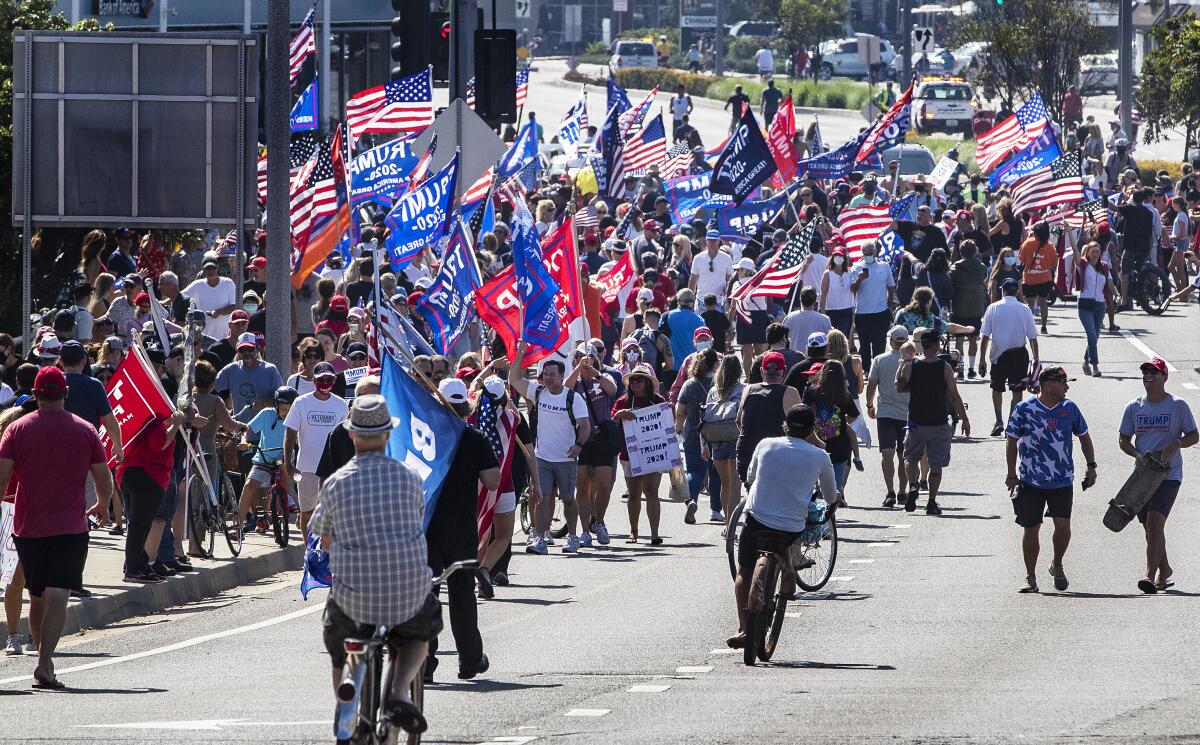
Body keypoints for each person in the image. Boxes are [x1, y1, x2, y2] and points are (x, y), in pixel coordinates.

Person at [313, 395, 443, 735]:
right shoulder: (410, 477)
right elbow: (416, 522)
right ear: (387, 435)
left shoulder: (336, 483)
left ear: (353, 436)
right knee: (420, 632)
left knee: (339, 641)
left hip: (352, 594)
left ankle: (346, 698)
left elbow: (324, 539)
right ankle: (400, 691)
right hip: (407, 591)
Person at [0, 368, 114, 688]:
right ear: (65, 393)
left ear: (35, 395)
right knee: (58, 596)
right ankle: (44, 661)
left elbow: (1, 478)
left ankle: (44, 661)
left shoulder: (17, 429)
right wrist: (103, 505)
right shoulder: (85, 429)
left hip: (28, 527)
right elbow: (104, 478)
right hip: (70, 526)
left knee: (36, 597)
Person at [728, 404, 835, 649]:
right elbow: (829, 495)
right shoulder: (819, 456)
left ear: (785, 424)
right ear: (811, 430)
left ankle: (744, 627)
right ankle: (789, 570)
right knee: (793, 538)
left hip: (757, 519)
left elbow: (751, 477)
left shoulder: (765, 444)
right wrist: (835, 498)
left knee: (744, 570)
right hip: (790, 527)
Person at [426, 378, 498, 681]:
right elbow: (492, 480)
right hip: (460, 530)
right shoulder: (475, 437)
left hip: (427, 527)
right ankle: (469, 660)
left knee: (425, 596)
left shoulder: (424, 436)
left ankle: (423, 664)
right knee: (462, 595)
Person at [1006, 366, 1096, 594]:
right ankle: (1030, 576)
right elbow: (1012, 440)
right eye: (1063, 383)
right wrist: (1011, 475)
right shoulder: (1024, 409)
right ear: (1048, 386)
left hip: (1062, 479)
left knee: (1063, 525)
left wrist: (1091, 466)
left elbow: (1084, 437)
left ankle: (1057, 563)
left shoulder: (1069, 408)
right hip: (1031, 480)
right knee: (1031, 527)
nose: (1067, 388)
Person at [1119, 357, 1198, 594]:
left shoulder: (1178, 405)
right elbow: (1123, 440)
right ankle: (1165, 570)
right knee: (1150, 528)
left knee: (1155, 521)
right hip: (1142, 477)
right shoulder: (1134, 407)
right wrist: (1136, 454)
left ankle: (1149, 576)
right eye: (1145, 373)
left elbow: (1194, 435)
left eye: (1154, 373)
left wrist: (1176, 443)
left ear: (1165, 377)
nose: (1148, 377)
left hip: (1168, 475)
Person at [509, 342, 591, 555]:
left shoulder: (573, 398)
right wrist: (519, 356)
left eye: (552, 374)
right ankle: (540, 538)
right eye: (545, 374)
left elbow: (585, 426)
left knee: (568, 499)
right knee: (543, 497)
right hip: (542, 457)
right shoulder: (537, 392)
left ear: (562, 376)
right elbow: (514, 380)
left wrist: (578, 446)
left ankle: (572, 537)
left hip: (565, 458)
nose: (548, 378)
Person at [895, 329, 970, 515]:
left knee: (910, 457)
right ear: (936, 345)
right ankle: (931, 502)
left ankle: (913, 484)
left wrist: (902, 367)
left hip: (915, 421)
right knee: (936, 465)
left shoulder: (911, 366)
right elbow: (954, 395)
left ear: (922, 345)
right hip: (938, 422)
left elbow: (899, 388)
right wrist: (964, 419)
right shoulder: (944, 368)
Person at [283, 361, 348, 537]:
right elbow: (290, 435)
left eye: (329, 379)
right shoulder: (301, 403)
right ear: (314, 380)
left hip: (333, 470)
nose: (325, 383)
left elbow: (345, 438)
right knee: (307, 513)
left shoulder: (341, 405)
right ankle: (308, 554)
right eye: (321, 379)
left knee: (331, 516)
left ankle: (326, 554)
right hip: (307, 468)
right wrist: (288, 462)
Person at [565, 342, 620, 547]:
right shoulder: (575, 382)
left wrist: (594, 372)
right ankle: (585, 529)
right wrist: (579, 370)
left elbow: (612, 389)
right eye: (578, 357)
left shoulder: (603, 377)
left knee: (604, 483)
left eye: (586, 357)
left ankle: (599, 521)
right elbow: (565, 390)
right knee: (583, 485)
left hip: (602, 437)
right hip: (581, 438)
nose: (582, 360)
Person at [612, 365, 668, 544]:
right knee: (634, 494)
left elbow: (667, 424)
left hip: (654, 452)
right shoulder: (623, 402)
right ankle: (634, 532)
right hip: (630, 454)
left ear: (648, 382)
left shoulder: (658, 401)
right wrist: (618, 416)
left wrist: (669, 412)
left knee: (652, 491)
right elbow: (612, 422)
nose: (635, 382)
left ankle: (654, 534)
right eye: (633, 380)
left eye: (639, 379)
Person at [979, 278, 1040, 437]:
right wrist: (1036, 359)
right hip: (1019, 354)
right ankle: (1012, 424)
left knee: (997, 389)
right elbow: (1033, 337)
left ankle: (999, 421)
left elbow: (985, 337)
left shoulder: (993, 308)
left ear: (1002, 290)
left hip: (999, 355)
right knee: (1017, 391)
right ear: (1017, 291)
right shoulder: (1025, 309)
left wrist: (981, 360)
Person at [736, 352, 802, 485]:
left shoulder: (748, 390)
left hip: (746, 455)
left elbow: (738, 421)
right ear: (784, 372)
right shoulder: (790, 392)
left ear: (762, 371)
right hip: (776, 456)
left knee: (753, 491)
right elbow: (802, 425)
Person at [802, 359, 860, 507]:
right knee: (835, 486)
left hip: (815, 443)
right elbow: (854, 414)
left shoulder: (811, 392)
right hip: (840, 446)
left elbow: (804, 412)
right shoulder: (844, 395)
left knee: (814, 485)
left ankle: (817, 517)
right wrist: (840, 422)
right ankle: (830, 519)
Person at [866, 326, 912, 507]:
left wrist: (870, 405)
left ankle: (890, 491)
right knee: (903, 455)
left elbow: (871, 385)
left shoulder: (879, 360)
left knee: (887, 453)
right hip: (907, 413)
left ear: (891, 341)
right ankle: (902, 491)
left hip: (885, 413)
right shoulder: (912, 362)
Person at [675, 349, 723, 523]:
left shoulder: (690, 384)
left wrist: (678, 429)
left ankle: (690, 499)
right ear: (715, 364)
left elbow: (680, 411)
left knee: (695, 471)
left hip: (693, 434)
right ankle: (716, 511)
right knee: (715, 473)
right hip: (716, 434)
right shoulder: (720, 385)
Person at [214, 332, 284, 422]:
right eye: (242, 350)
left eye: (250, 349)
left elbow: (281, 400)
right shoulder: (231, 369)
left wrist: (264, 403)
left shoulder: (270, 370)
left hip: (265, 430)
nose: (246, 353)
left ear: (258, 348)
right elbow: (211, 387)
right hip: (240, 429)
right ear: (237, 351)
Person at [1073, 241, 1118, 377]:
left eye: (1097, 252)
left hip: (1099, 305)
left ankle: (1086, 361)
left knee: (1095, 336)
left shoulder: (1104, 267)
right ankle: (1095, 366)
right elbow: (1075, 251)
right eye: (1092, 252)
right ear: (1087, 253)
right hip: (1085, 304)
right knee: (1091, 335)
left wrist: (1117, 294)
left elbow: (1110, 285)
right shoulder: (1083, 265)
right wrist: (1069, 232)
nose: (1095, 254)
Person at [850, 241, 895, 372]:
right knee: (864, 344)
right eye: (865, 254)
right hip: (862, 313)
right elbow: (853, 289)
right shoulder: (856, 267)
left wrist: (889, 303)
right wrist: (859, 279)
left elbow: (891, 286)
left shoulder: (884, 266)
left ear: (875, 252)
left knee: (879, 343)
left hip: (881, 312)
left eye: (870, 253)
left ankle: (878, 368)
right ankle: (866, 369)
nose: (867, 256)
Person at [948, 240, 989, 379]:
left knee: (959, 340)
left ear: (961, 252)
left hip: (959, 306)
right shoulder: (982, 268)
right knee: (973, 338)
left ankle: (960, 369)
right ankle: (971, 369)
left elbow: (950, 282)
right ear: (975, 251)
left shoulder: (955, 268)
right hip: (976, 307)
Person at [182, 257, 238, 340]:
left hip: (223, 338)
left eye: (213, 268)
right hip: (202, 338)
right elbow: (180, 296)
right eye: (208, 268)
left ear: (217, 268)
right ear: (203, 270)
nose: (211, 271)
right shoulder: (197, 285)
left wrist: (219, 312)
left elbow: (234, 307)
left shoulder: (228, 283)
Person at [1018, 221, 1058, 334]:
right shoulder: (1050, 246)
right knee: (1043, 303)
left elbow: (1022, 260)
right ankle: (1044, 326)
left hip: (1030, 278)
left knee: (1029, 304)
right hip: (1045, 278)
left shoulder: (1027, 244)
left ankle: (1029, 327)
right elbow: (1053, 262)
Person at [819, 248, 856, 340]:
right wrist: (823, 313)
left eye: (840, 256)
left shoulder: (850, 272)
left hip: (846, 311)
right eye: (835, 256)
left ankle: (844, 354)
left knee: (844, 338)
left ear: (844, 258)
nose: (837, 258)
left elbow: (854, 289)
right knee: (832, 339)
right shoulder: (828, 274)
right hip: (831, 311)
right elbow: (823, 294)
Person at [783, 287, 831, 355]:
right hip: (817, 359)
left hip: (795, 359)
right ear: (815, 300)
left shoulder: (790, 318)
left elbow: (783, 338)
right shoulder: (825, 319)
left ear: (800, 299)